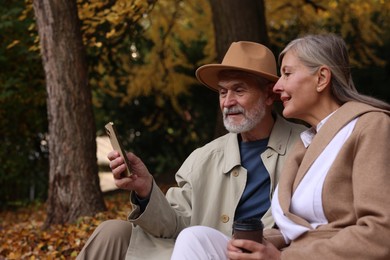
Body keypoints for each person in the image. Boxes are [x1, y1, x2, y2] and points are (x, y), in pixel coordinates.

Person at [77, 41, 306, 260]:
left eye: (239, 90)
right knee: (112, 232)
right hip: (193, 251)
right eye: (222, 92)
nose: (227, 102)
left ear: (268, 95)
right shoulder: (204, 158)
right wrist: (146, 189)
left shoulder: (307, 146)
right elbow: (176, 224)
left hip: (259, 253)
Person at [170, 33, 390, 260]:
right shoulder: (307, 143)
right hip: (286, 252)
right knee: (195, 238)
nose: (277, 86)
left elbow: (381, 233)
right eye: (223, 92)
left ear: (322, 78)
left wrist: (282, 258)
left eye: (286, 74)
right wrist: (257, 243)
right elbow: (290, 230)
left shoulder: (370, 126)